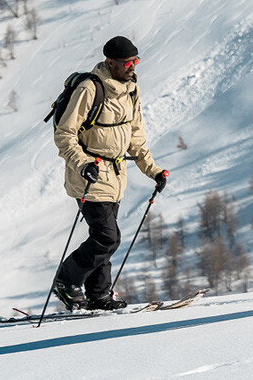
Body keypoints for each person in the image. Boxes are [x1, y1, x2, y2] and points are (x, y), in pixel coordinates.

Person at [52, 36, 168, 310]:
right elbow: (65, 134)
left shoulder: (131, 91)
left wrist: (154, 171)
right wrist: (83, 163)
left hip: (115, 177)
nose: (133, 66)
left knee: (105, 237)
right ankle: (66, 281)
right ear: (110, 62)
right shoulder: (90, 89)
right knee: (107, 237)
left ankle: (98, 294)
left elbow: (135, 140)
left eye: (136, 61)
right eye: (128, 62)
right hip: (89, 177)